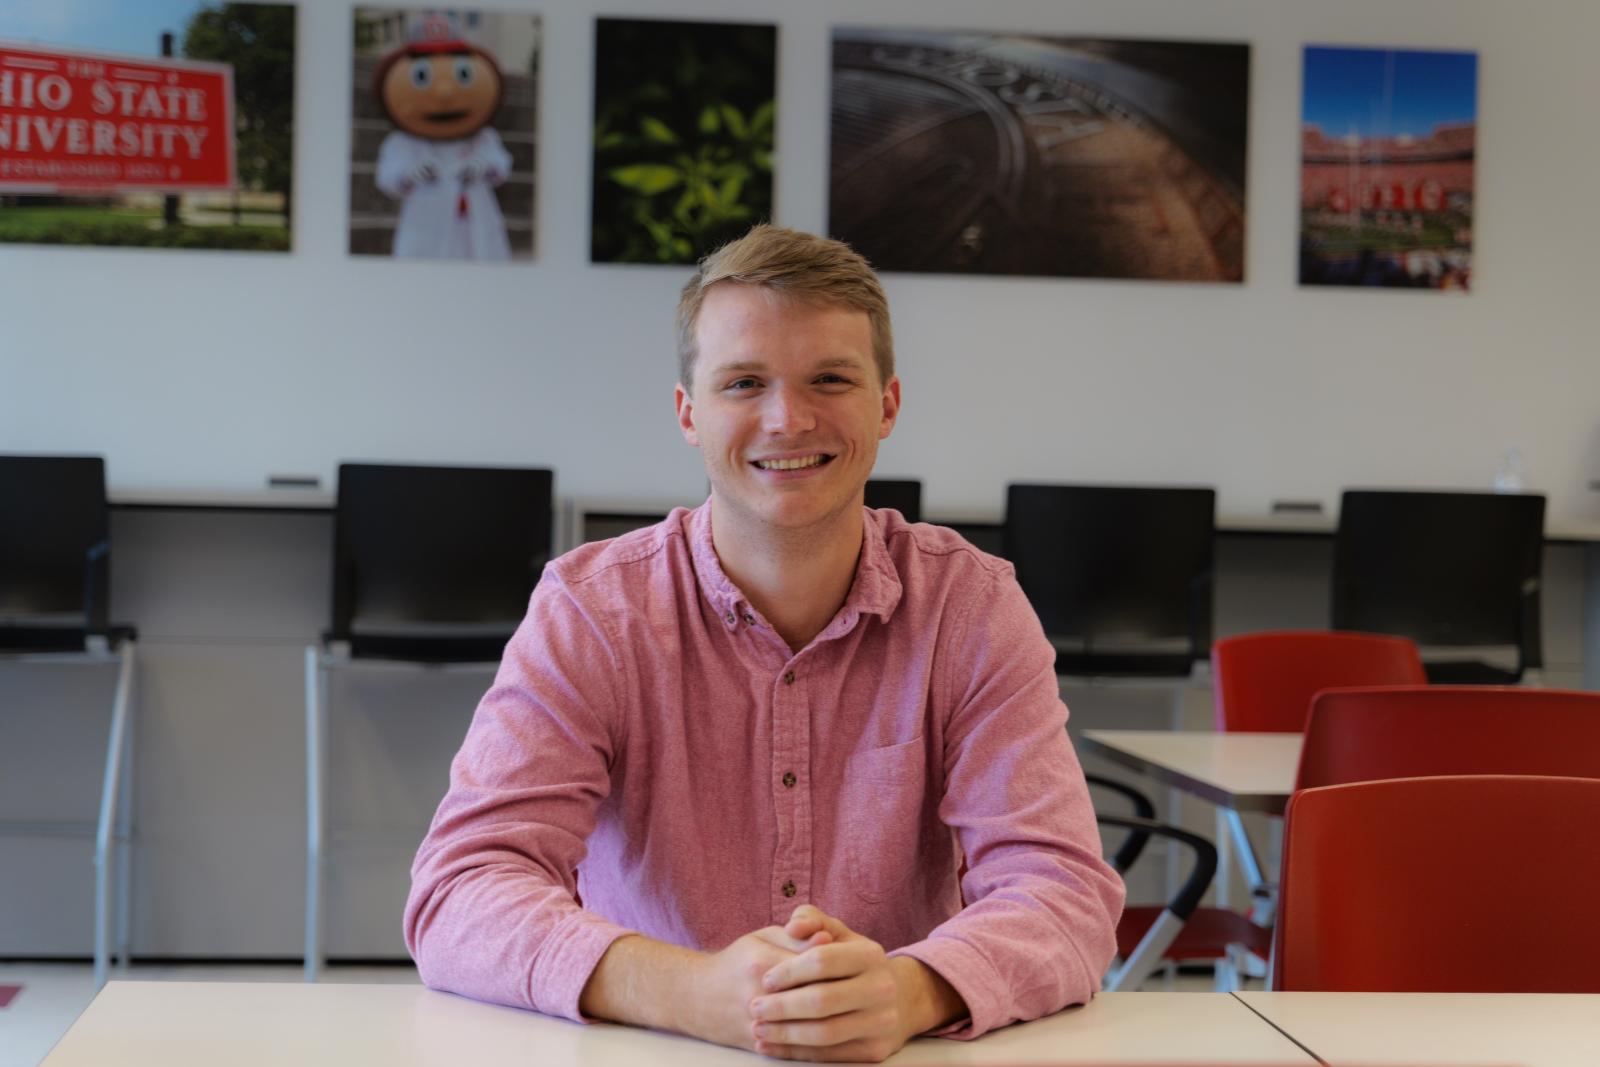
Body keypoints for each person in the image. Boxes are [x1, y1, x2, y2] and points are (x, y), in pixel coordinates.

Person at [404, 224, 1123, 1061]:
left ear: (887, 404)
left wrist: (910, 989)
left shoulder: (970, 605)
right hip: (651, 1047)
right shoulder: (593, 610)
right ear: (689, 413)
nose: (787, 417)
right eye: (744, 382)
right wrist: (690, 991)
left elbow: (1064, 891)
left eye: (830, 378)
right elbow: (459, 890)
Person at [372, 14, 513, 260]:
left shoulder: (484, 138)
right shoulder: (402, 143)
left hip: (476, 218)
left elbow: (501, 165)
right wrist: (409, 173)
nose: (445, 92)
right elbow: (387, 177)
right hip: (426, 217)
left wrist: (485, 165)